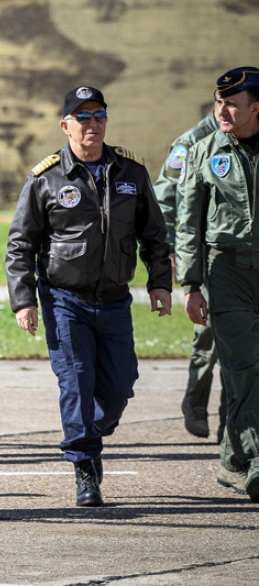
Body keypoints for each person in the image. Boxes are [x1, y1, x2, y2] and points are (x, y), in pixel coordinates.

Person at [6, 86, 172, 507]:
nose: (92, 124)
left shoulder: (131, 172)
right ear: (66, 126)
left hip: (115, 298)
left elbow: (154, 235)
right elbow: (21, 243)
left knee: (119, 388)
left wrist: (160, 283)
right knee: (77, 382)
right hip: (64, 298)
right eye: (82, 117)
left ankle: (91, 433)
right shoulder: (46, 177)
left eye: (98, 115)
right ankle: (84, 466)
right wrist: (24, 300)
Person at [177, 66, 259, 502]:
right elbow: (188, 222)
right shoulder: (203, 151)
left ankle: (232, 459)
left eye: (231, 104)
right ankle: (255, 459)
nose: (221, 111)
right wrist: (191, 284)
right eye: (218, 102)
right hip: (226, 271)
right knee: (244, 365)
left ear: (256, 107)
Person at [153, 111, 227, 442]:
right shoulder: (192, 142)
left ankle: (233, 421)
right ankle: (195, 401)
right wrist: (169, 249)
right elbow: (165, 199)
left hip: (240, 252)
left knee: (242, 340)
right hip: (202, 252)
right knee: (207, 330)